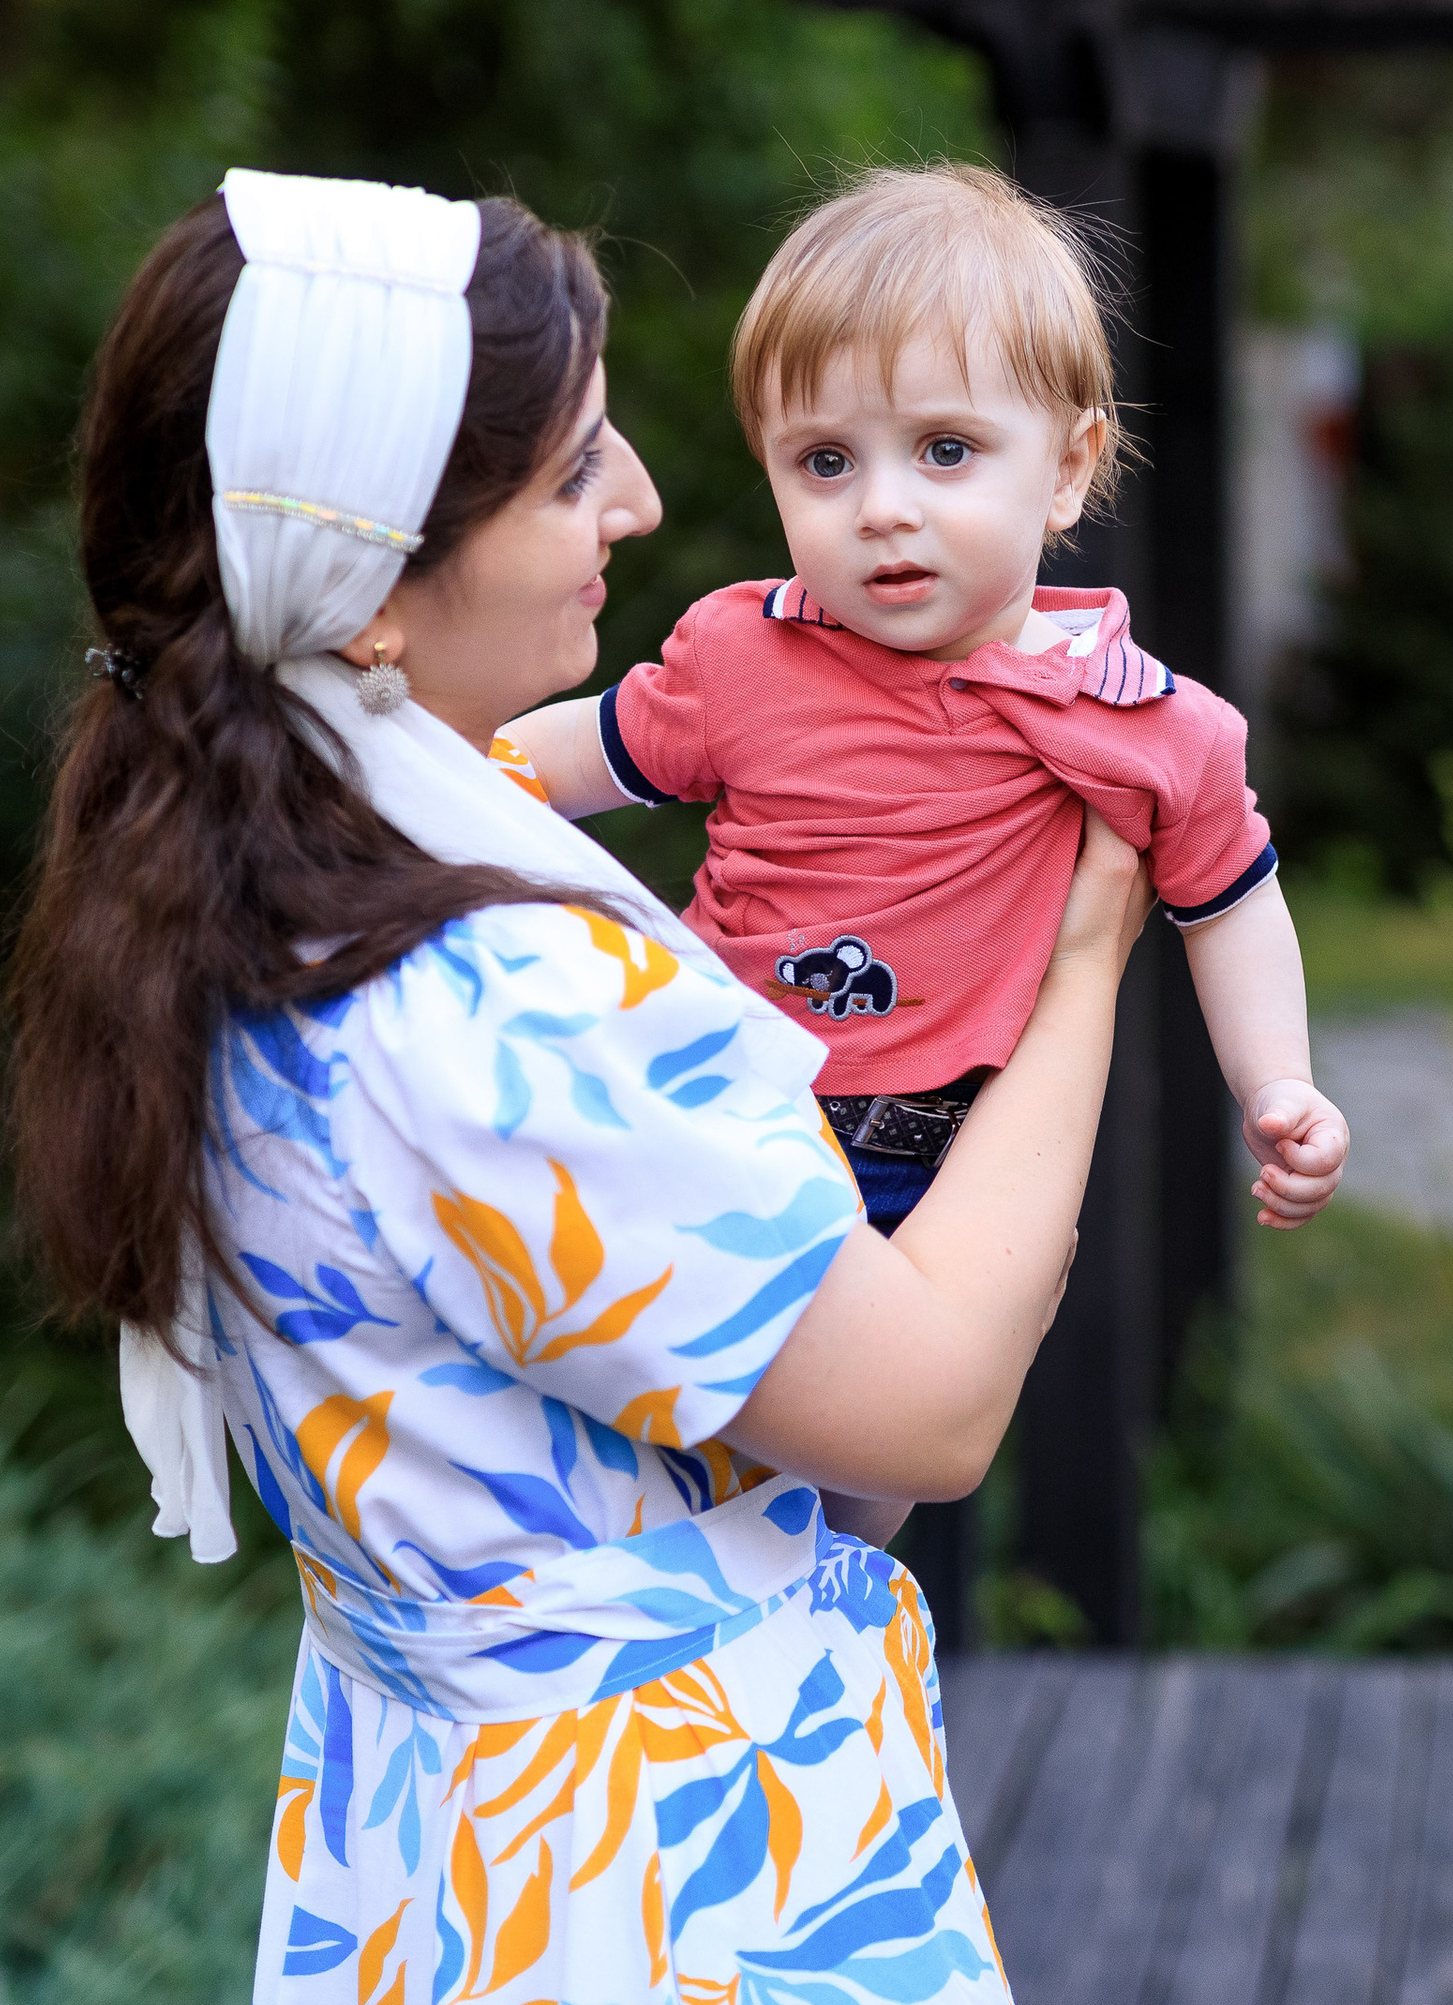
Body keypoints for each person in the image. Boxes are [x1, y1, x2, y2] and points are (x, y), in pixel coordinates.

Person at [6, 170, 1151, 2005]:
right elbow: (924, 1411)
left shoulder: (230, 878)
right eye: (570, 475)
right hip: (663, 1889)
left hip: (448, 1845)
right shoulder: (489, 997)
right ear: (375, 582)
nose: (641, 503)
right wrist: (1089, 954)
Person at [507, 163, 1348, 1235]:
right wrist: (401, 768)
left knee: (890, 1393)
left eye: (945, 450)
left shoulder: (1149, 723)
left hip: (946, 1165)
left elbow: (1230, 906)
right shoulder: (742, 653)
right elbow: (564, 758)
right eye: (824, 461)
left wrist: (1277, 1082)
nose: (883, 509)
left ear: (1065, 470)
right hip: (705, 1104)